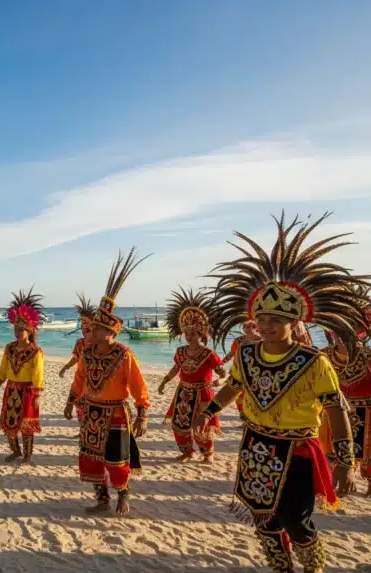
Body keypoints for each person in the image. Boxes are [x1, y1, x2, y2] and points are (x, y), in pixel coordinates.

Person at [195, 213, 365, 573]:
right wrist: (209, 410)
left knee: (295, 521)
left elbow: (336, 411)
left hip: (300, 451)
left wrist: (345, 462)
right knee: (264, 521)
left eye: (276, 319)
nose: (267, 326)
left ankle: (313, 567)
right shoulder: (246, 354)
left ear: (294, 323)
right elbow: (234, 386)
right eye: (262, 319)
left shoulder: (314, 362)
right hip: (256, 446)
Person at [65, 250, 150, 516]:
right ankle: (102, 499)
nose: (91, 334)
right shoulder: (88, 353)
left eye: (96, 330)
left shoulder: (125, 355)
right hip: (91, 411)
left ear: (110, 331)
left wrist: (142, 413)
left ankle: (123, 493)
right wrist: (70, 402)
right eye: (90, 330)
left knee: (116, 459)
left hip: (115, 413)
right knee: (91, 459)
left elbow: (138, 385)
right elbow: (79, 378)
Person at [158, 287, 226, 464]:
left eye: (193, 333)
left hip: (203, 393)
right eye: (187, 333)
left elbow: (223, 372)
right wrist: (165, 381)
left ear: (201, 334)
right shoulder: (180, 351)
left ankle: (207, 452)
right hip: (183, 392)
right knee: (180, 424)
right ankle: (187, 452)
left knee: (201, 425)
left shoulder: (209, 354)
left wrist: (220, 381)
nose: (189, 336)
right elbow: (176, 368)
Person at [0, 288, 45, 466]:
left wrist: (38, 394)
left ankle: (27, 455)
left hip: (28, 391)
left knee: (26, 425)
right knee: (9, 423)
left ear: (29, 330)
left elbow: (38, 374)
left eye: (21, 330)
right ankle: (15, 451)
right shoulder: (9, 348)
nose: (17, 332)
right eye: (15, 329)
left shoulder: (35, 351)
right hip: (11, 388)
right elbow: (3, 367)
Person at [320, 327, 371, 496]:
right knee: (332, 449)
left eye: (348, 333)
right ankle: (332, 484)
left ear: (360, 334)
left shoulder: (368, 355)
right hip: (333, 411)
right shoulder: (322, 356)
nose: (341, 337)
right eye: (337, 332)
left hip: (367, 412)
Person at [59, 294, 97, 380]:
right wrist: (65, 367)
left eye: (87, 323)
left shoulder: (100, 343)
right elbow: (76, 358)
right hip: (81, 379)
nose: (84, 326)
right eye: (83, 323)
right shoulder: (80, 343)